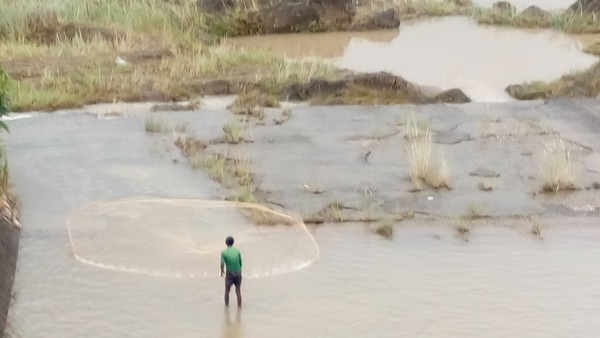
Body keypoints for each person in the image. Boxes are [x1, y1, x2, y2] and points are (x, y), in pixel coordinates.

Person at [221, 236, 242, 307]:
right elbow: (240, 263)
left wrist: (222, 271)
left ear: (226, 243)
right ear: (233, 243)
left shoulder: (223, 252)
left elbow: (222, 263)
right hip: (238, 272)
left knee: (227, 291)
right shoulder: (237, 251)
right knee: (238, 291)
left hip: (230, 273)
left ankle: (226, 307)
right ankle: (239, 307)